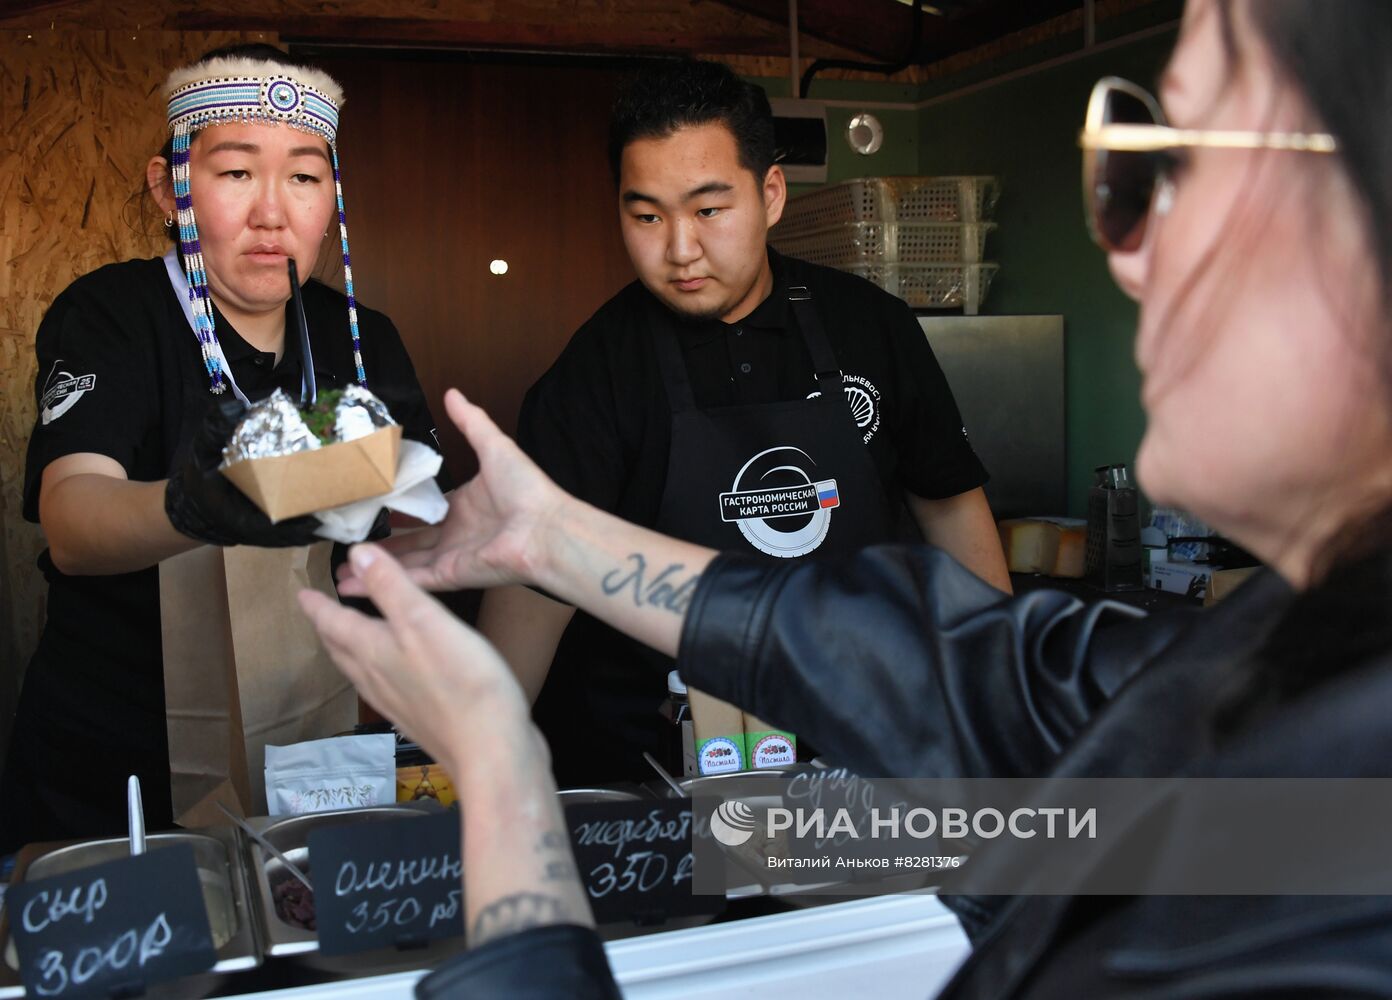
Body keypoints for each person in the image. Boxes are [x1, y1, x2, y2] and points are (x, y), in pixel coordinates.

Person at [303, 0, 1392, 993]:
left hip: (856, 800)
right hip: (667, 787)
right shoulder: (1283, 656)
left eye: (1176, 161)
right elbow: (993, 671)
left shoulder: (1329, 880)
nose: (1129, 249)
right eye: (1130, 164)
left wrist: (500, 767)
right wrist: (552, 547)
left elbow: (967, 586)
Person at [482, 59, 1010, 786]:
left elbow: (950, 508)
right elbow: (530, 587)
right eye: (646, 216)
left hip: (859, 753)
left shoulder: (870, 329)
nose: (679, 248)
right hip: (652, 770)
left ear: (770, 194)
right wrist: (475, 766)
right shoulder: (596, 371)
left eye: (709, 209)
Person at [0, 44, 440, 854]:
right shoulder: (113, 314)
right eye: (237, 173)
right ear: (170, 189)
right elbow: (71, 515)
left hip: (318, 741)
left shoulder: (361, 337)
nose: (273, 214)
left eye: (304, 178)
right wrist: (190, 502)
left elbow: (416, 522)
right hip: (115, 760)